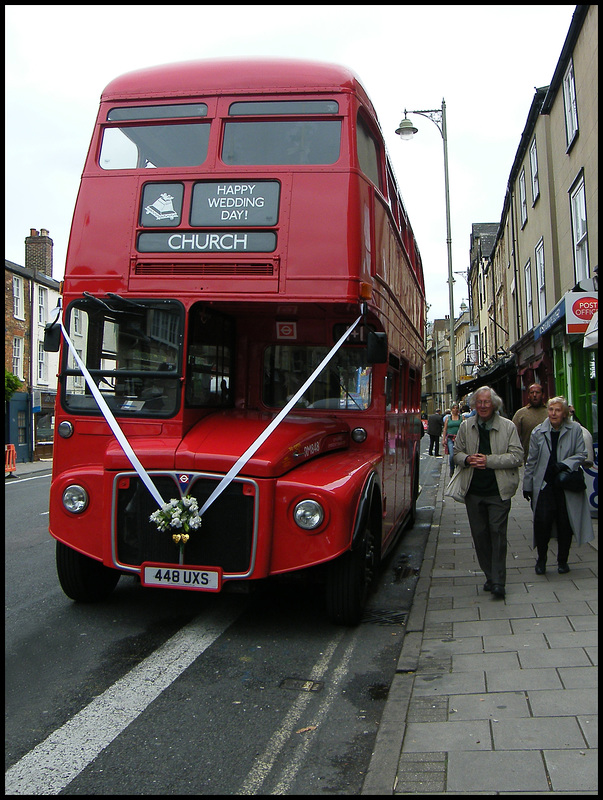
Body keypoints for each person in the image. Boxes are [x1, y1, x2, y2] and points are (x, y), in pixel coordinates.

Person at [452, 386, 523, 599]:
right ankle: (490, 575)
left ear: (494, 404)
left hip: (498, 491)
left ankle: (498, 581)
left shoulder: (507, 427)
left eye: (487, 402)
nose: (483, 406)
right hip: (474, 491)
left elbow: (517, 456)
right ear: (474, 405)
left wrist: (488, 461)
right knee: (480, 536)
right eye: (479, 402)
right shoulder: (466, 426)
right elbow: (456, 453)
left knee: (498, 534)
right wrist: (466, 459)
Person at [523, 396, 594, 574]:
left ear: (564, 413)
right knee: (542, 522)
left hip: (566, 483)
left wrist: (564, 464)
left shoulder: (575, 429)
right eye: (551, 409)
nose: (553, 413)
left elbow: (581, 453)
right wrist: (527, 484)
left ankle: (563, 560)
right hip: (544, 484)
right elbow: (531, 460)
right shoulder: (538, 432)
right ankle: (542, 559)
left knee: (565, 524)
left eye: (557, 410)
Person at [512, 383, 548, 462]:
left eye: (537, 392)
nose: (534, 395)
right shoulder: (521, 414)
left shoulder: (550, 412)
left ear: (543, 395)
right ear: (528, 395)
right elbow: (513, 437)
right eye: (532, 393)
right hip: (528, 460)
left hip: (548, 459)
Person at [442, 403, 462, 477]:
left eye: (457, 408)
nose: (455, 410)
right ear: (451, 409)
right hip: (450, 438)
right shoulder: (448, 418)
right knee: (452, 455)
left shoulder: (461, 418)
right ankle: (452, 469)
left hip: (459, 439)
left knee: (458, 455)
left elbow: (464, 428)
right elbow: (445, 429)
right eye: (454, 408)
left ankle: (457, 470)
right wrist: (443, 439)